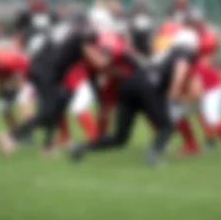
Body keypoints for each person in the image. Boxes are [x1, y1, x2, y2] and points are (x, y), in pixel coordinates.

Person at [69, 27, 198, 166]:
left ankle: (81, 148)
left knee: (119, 138)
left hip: (129, 84)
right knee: (167, 126)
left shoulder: (167, 51)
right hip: (149, 86)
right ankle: (152, 157)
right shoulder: (184, 51)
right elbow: (180, 71)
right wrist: (174, 93)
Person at [0, 7, 111, 155]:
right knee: (47, 113)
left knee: (57, 105)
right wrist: (109, 51)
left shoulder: (64, 29)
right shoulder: (80, 34)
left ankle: (48, 147)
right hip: (46, 73)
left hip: (41, 69)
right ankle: (11, 136)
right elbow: (99, 62)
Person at [171, 9, 221, 159]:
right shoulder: (182, 56)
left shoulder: (199, 47)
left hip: (213, 89)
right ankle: (191, 146)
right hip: (201, 88)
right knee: (174, 114)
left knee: (212, 118)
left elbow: (197, 91)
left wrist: (178, 97)